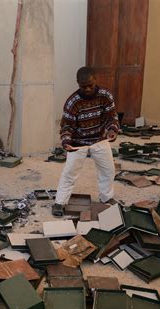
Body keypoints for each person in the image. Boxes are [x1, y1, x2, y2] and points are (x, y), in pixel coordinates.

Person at [52, 66, 119, 216]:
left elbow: (112, 117)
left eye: (90, 85)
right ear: (78, 83)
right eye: (83, 86)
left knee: (108, 170)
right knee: (70, 173)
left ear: (96, 80)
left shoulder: (105, 96)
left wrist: (112, 130)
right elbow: (66, 126)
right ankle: (59, 202)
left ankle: (106, 198)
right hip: (78, 142)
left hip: (99, 138)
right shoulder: (72, 102)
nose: (87, 89)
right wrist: (66, 142)